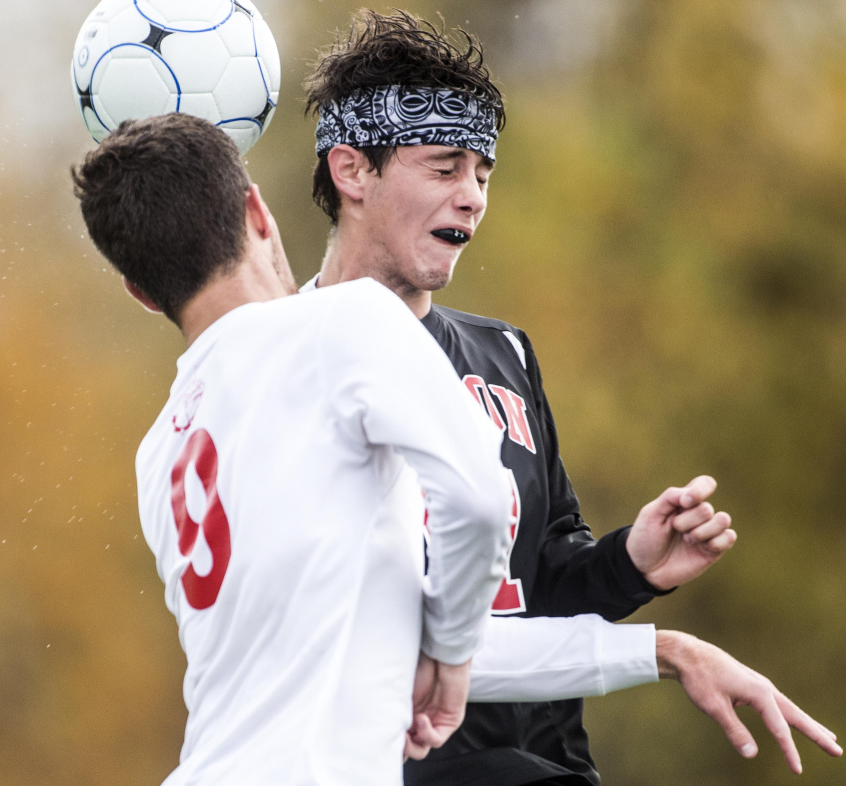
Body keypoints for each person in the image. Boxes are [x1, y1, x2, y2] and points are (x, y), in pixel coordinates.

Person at [302, 10, 842, 784]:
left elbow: (544, 585)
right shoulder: (287, 363)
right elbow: (372, 643)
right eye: (444, 166)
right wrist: (661, 652)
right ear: (352, 171)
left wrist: (632, 563)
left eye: (483, 173)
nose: (473, 198)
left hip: (543, 758)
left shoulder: (505, 354)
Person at [70, 113, 517, 785]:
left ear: (140, 292)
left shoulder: (158, 452)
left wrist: (644, 652)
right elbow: (480, 502)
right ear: (257, 210)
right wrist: (452, 655)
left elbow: (349, 627)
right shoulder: (347, 320)